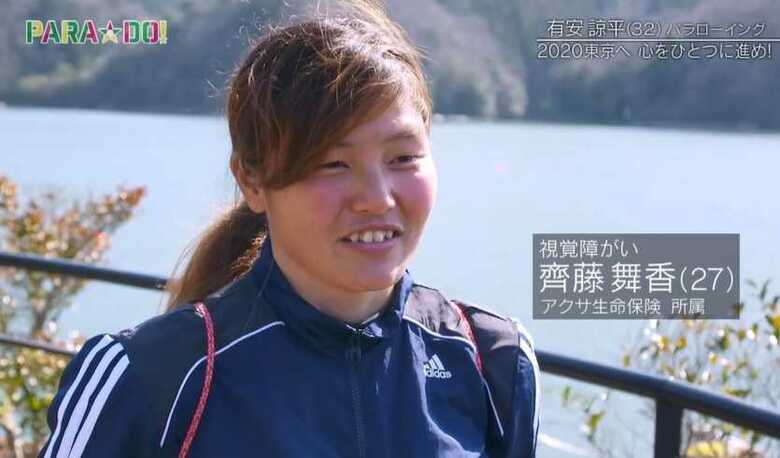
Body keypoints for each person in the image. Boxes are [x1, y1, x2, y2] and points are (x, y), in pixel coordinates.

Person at [39, 1, 540, 457]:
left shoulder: (493, 362)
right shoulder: (147, 377)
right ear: (251, 181)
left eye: (403, 157)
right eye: (332, 164)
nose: (377, 198)